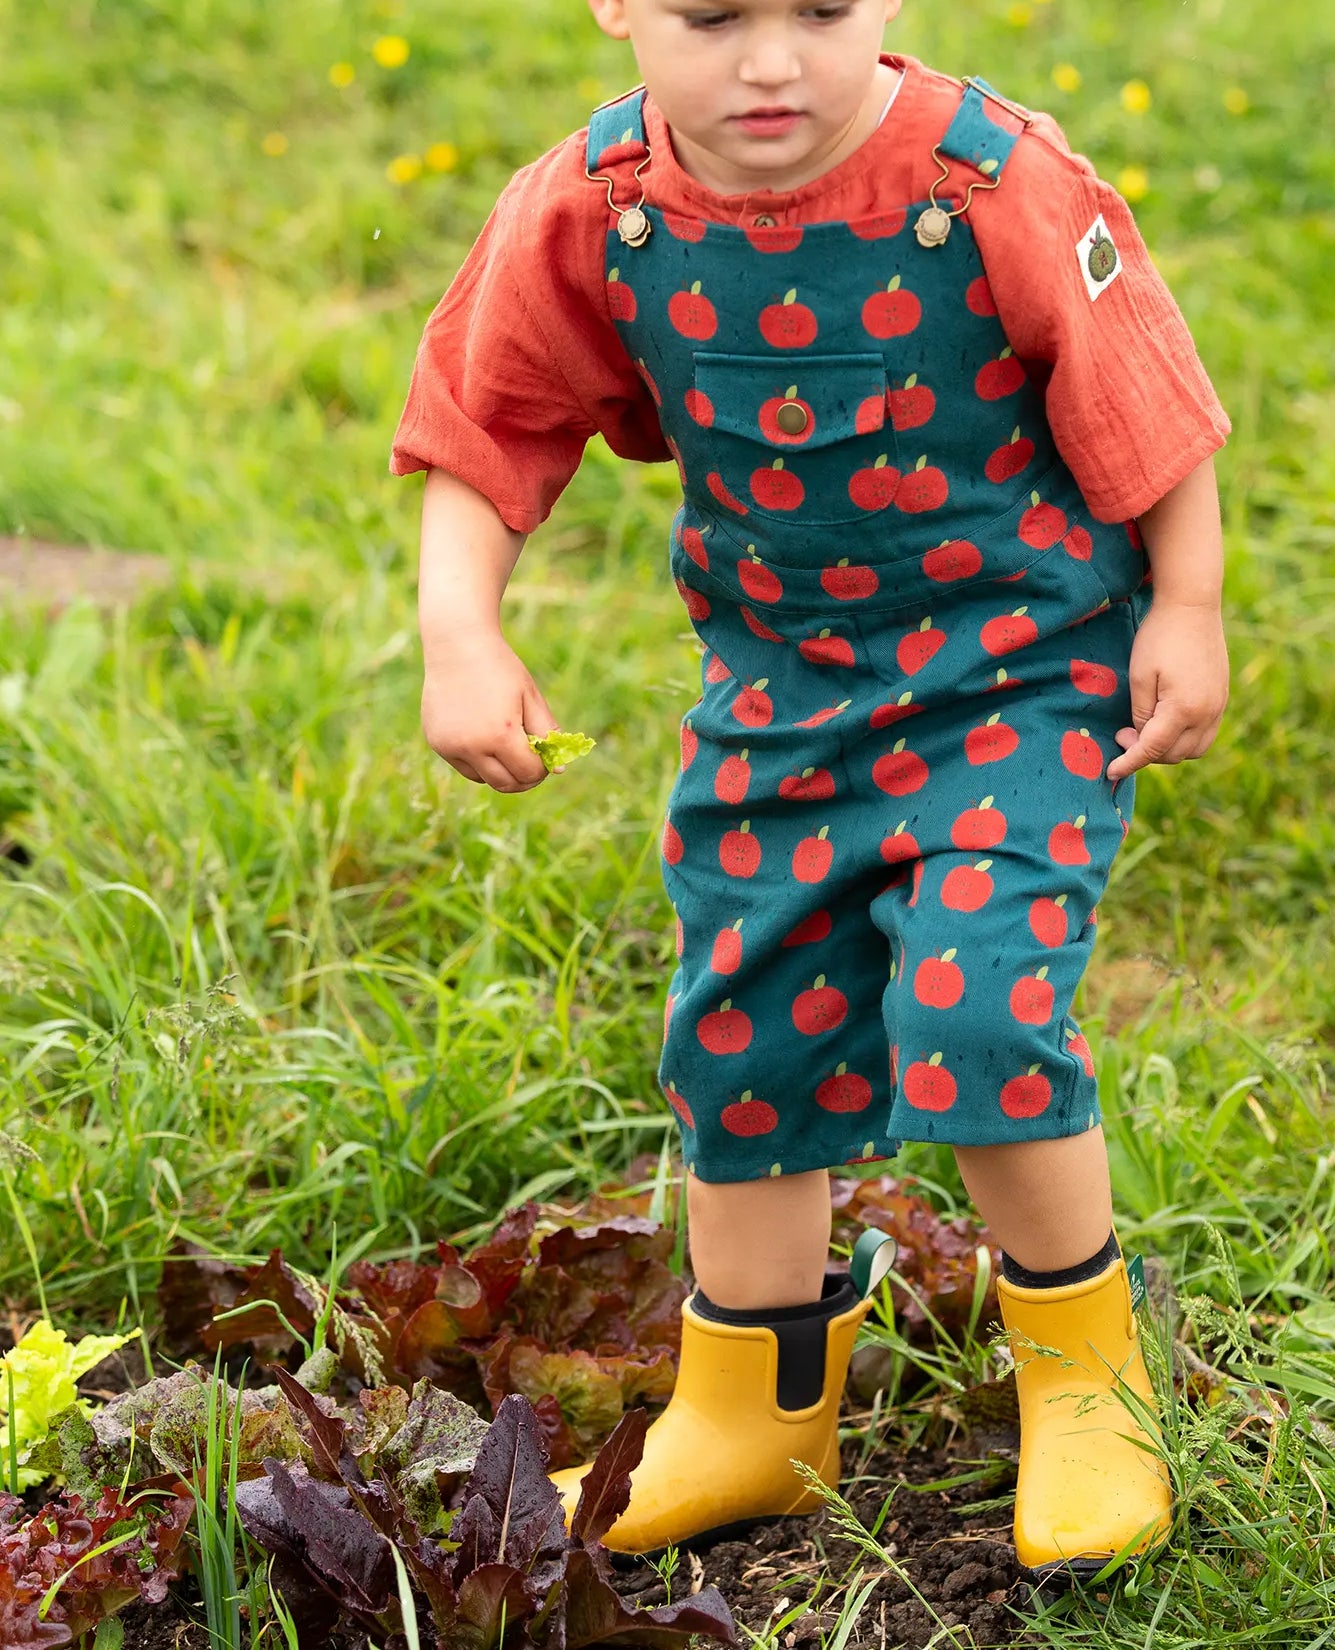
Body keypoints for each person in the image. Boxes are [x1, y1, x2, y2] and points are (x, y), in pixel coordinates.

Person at [391, 0, 1230, 1586]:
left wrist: (1183, 602)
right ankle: (758, 1405)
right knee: (745, 1027)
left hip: (1019, 674)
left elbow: (1142, 387)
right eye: (710, 17)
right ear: (616, 6)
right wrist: (460, 628)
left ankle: (1089, 1381)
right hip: (781, 702)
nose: (769, 62)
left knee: (977, 1012)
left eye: (820, 11)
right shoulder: (595, 208)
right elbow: (487, 417)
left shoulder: (988, 182)